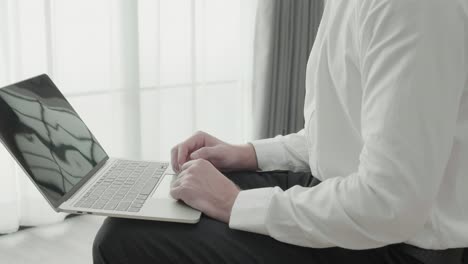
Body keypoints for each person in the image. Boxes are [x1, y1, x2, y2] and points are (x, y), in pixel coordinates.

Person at [93, 0, 468, 263]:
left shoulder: (412, 8)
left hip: (400, 247)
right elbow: (349, 136)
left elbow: (390, 204)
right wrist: (249, 154)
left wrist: (233, 203)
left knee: (125, 241)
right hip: (356, 207)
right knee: (159, 206)